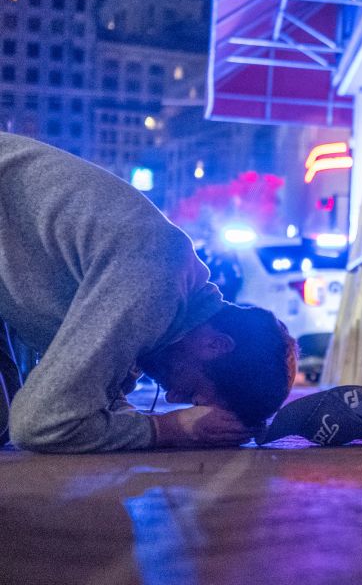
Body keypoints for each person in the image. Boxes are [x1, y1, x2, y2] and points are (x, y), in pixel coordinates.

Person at [0, 133, 297, 453]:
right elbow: (40, 423)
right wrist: (169, 428)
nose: (172, 398)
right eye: (195, 396)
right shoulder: (157, 280)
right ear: (215, 344)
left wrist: (131, 418)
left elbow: (95, 399)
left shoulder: (173, 296)